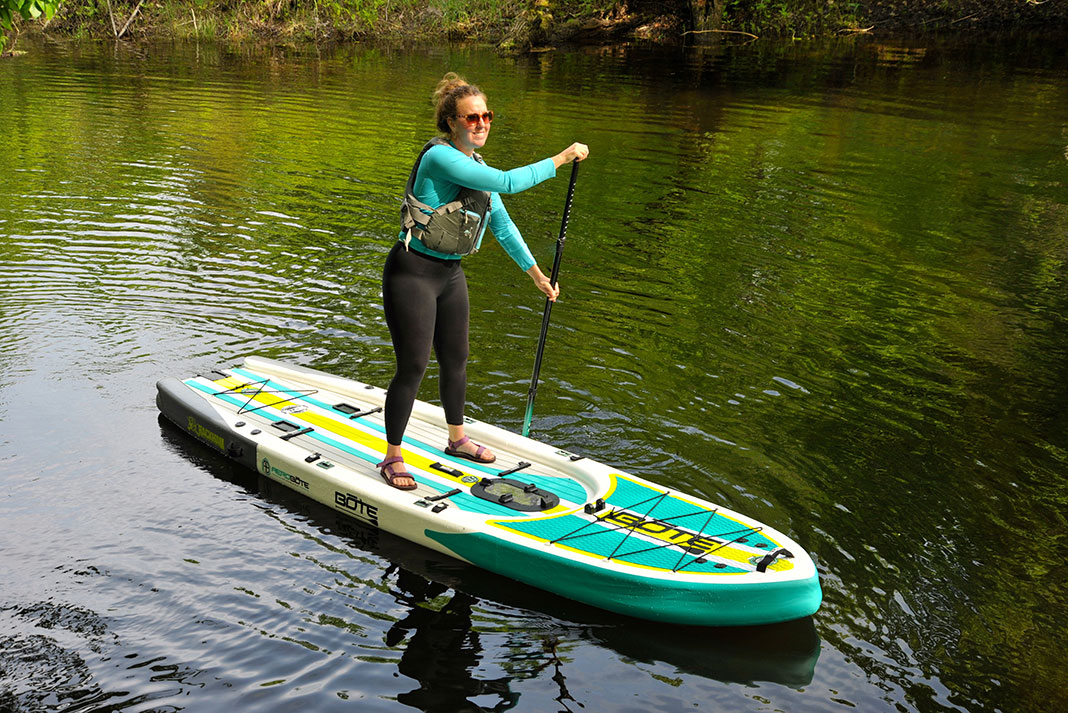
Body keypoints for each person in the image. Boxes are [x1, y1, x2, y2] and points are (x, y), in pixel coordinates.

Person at [377, 72, 588, 490]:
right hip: (412, 272)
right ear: (451, 122)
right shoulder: (439, 158)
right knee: (414, 365)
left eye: (486, 116)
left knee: (456, 357)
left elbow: (503, 226)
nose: (481, 124)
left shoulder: (477, 167)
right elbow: (510, 182)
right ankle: (392, 456)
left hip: (450, 275)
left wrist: (537, 276)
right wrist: (561, 159)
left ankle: (457, 439)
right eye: (471, 118)